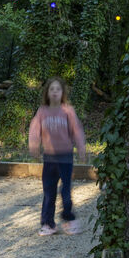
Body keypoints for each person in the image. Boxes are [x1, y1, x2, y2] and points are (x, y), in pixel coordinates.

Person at [27, 76, 87, 236]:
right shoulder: (42, 111)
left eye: (58, 89)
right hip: (49, 158)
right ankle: (48, 224)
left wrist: (81, 148)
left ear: (62, 92)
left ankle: (69, 219)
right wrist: (34, 146)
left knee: (65, 192)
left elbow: (77, 130)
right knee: (49, 193)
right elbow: (34, 129)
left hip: (65, 158)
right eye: (51, 89)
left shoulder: (68, 110)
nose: (54, 92)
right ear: (47, 92)